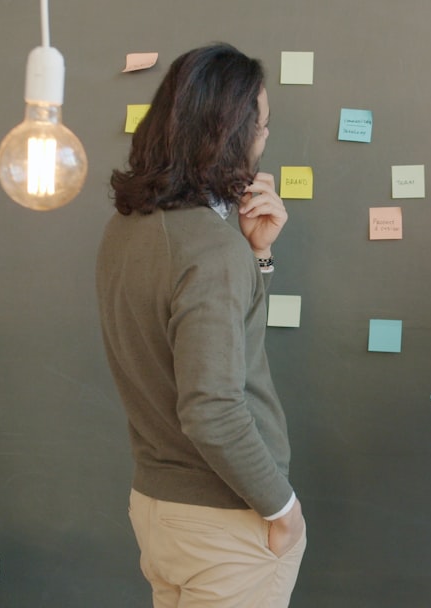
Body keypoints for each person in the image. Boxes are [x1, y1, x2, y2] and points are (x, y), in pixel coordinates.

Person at [96, 43, 305, 608]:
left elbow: (219, 341)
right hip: (225, 522)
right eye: (262, 126)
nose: (265, 139)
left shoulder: (128, 228)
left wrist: (256, 255)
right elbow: (211, 409)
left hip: (160, 510)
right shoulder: (209, 249)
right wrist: (283, 509)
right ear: (232, 135)